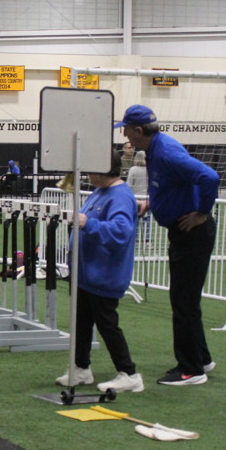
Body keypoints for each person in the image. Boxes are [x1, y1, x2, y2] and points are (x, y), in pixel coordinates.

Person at [117, 104, 220, 386]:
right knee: (186, 300)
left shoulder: (165, 152)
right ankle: (201, 359)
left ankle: (191, 370)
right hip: (184, 233)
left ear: (138, 131)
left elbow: (210, 177)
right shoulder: (157, 150)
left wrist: (201, 212)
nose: (124, 135)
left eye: (126, 130)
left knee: (184, 302)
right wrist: (154, 203)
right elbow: (173, 184)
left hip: (192, 233)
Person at [55, 149, 142, 393]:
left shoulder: (120, 196)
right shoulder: (101, 191)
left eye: (90, 169)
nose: (86, 174)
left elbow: (121, 232)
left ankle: (129, 374)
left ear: (102, 170)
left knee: (107, 325)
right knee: (81, 323)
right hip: (87, 273)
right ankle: (81, 368)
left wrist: (86, 223)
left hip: (104, 274)